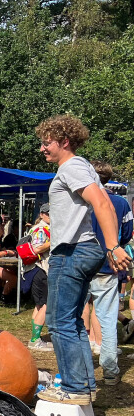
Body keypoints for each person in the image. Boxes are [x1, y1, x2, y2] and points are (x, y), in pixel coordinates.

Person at [35, 115, 131, 406]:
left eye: (46, 142)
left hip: (72, 251)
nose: (42, 148)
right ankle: (84, 386)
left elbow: (101, 204)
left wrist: (113, 246)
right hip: (85, 249)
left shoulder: (72, 166)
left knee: (59, 321)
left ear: (64, 141)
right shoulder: (84, 166)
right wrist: (109, 245)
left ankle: (75, 387)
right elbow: (107, 205)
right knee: (72, 321)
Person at [81, 161, 133, 387]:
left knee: (75, 316)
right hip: (108, 264)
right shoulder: (121, 203)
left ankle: (81, 368)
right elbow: (127, 233)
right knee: (109, 318)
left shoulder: (80, 199)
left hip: (80, 263)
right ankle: (110, 371)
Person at [22, 204, 52, 350]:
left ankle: (36, 337)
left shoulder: (40, 228)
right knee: (47, 304)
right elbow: (37, 248)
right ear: (42, 214)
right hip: (39, 270)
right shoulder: (41, 229)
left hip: (36, 270)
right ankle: (35, 340)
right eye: (48, 214)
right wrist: (54, 242)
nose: (51, 216)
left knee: (40, 304)